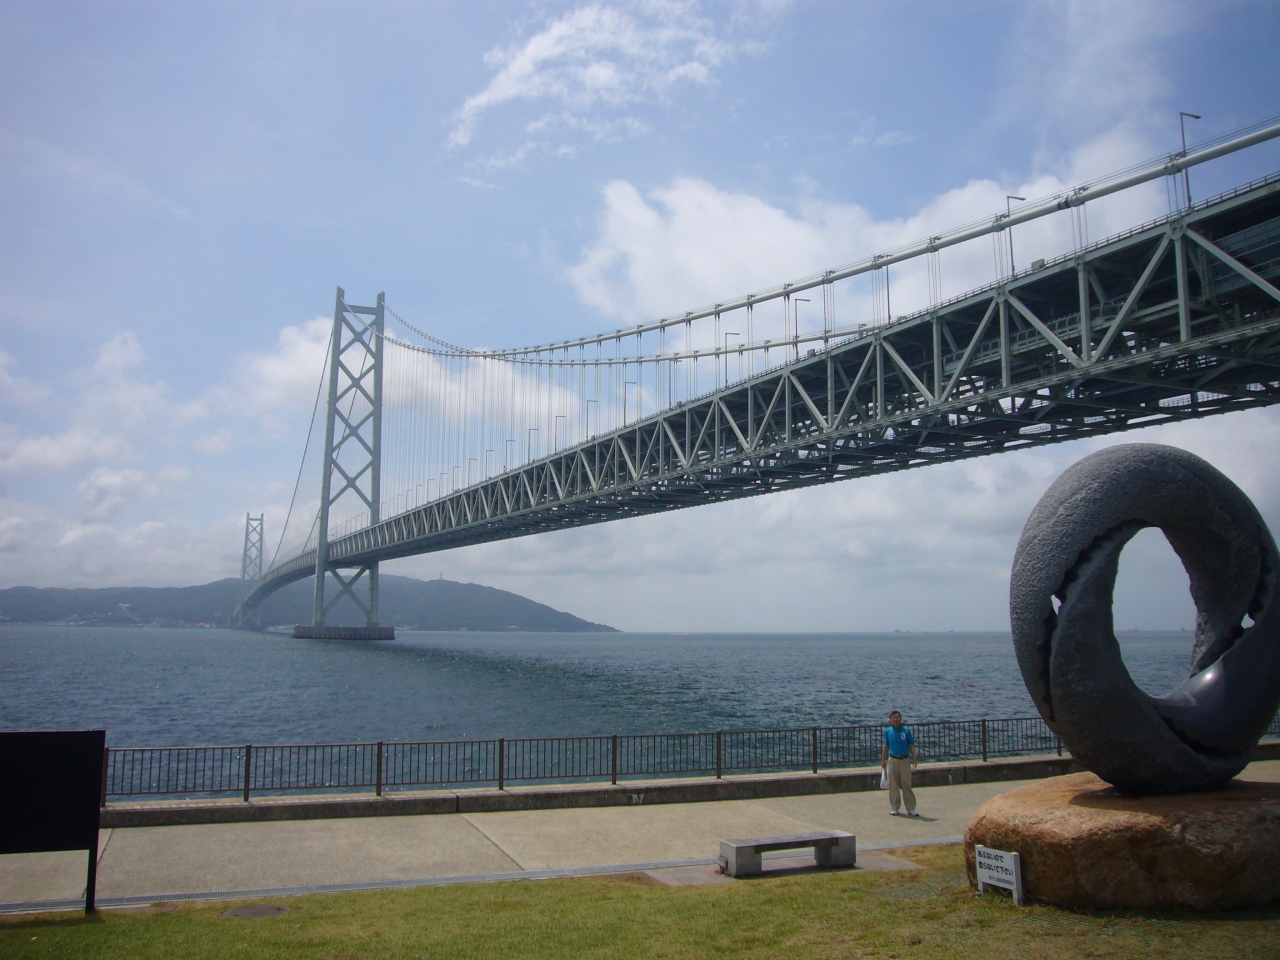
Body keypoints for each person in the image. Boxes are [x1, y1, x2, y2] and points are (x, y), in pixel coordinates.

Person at [881, 710, 918, 816]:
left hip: (905, 760)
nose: (896, 720)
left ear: (900, 719)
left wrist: (914, 758)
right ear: (891, 720)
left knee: (906, 784)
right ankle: (895, 807)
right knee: (893, 785)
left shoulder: (906, 730)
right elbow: (885, 746)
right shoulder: (888, 731)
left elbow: (911, 744)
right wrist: (883, 760)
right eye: (893, 718)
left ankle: (910, 807)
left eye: (897, 718)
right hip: (892, 760)